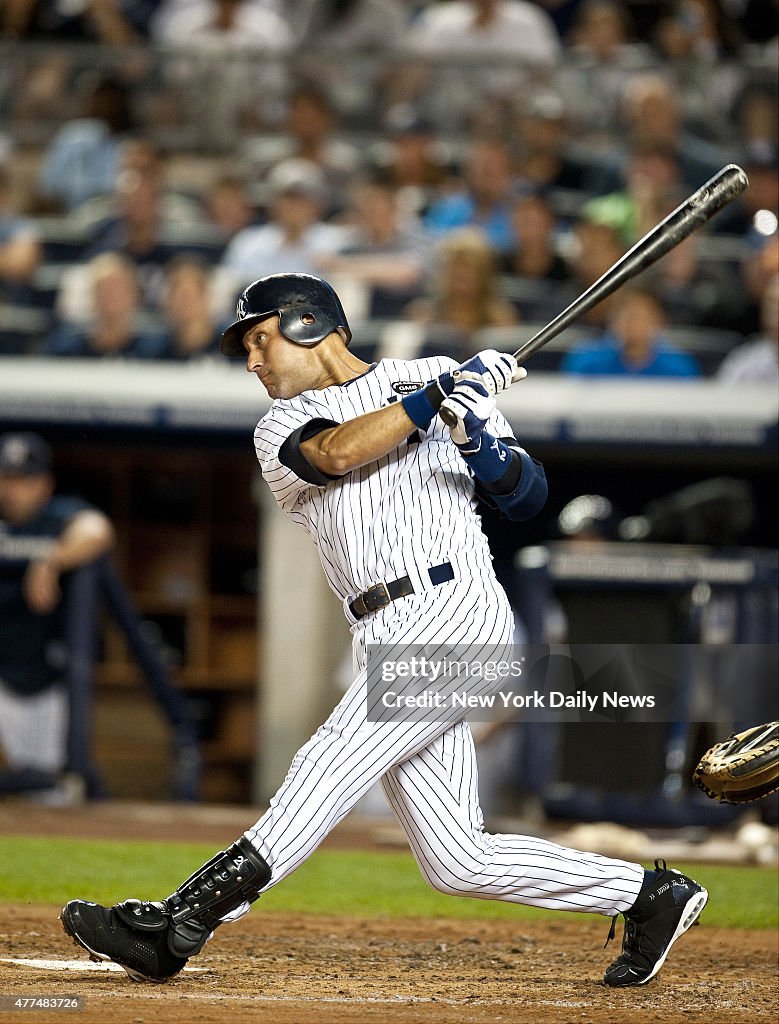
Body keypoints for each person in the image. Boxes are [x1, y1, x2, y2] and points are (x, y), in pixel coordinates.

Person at [61, 272, 708, 989]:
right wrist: (438, 400)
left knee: (328, 763)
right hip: (378, 626)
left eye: (259, 338)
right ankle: (649, 896)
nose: (251, 359)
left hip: (454, 609)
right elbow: (336, 453)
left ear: (307, 324)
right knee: (455, 859)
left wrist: (475, 437)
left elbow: (526, 496)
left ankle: (180, 923)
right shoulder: (280, 425)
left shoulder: (434, 374)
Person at [0, 432, 115, 799]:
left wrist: (51, 560)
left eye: (24, 480)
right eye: (7, 478)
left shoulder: (58, 517)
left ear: (44, 484)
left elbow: (98, 530)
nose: (13, 489)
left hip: (48, 682)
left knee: (50, 794)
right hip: (1, 677)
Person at [560, 287, 702, 378]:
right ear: (612, 319)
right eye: (626, 315)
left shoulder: (679, 368)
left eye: (640, 316)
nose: (632, 324)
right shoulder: (587, 361)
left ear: (658, 320)